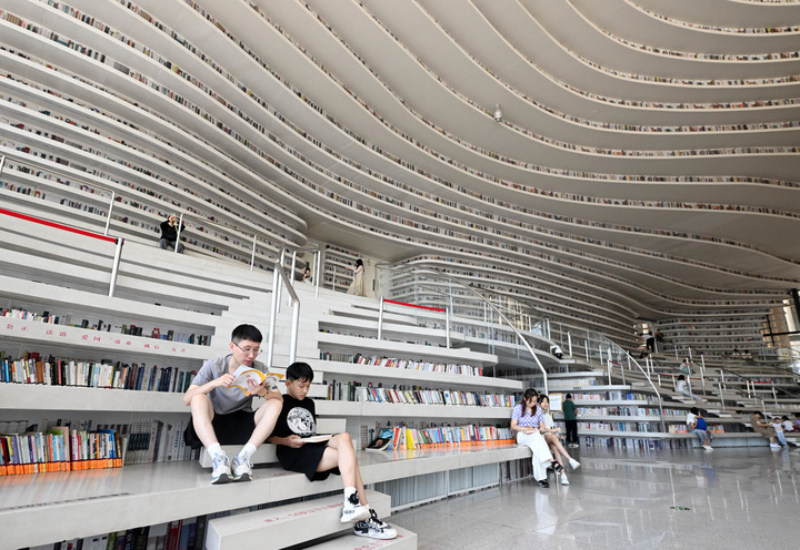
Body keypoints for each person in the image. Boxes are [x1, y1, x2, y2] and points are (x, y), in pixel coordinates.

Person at [269, 362, 397, 540]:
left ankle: (352, 502)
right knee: (349, 458)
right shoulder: (280, 402)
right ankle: (365, 516)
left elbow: (309, 431)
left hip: (310, 445)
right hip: (292, 453)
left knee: (344, 438)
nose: (305, 390)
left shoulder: (309, 403)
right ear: (288, 383)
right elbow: (269, 436)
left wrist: (316, 439)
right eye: (301, 386)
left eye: (308, 386)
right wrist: (286, 441)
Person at [183, 324, 283, 484]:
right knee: (198, 398)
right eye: (247, 349)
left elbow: (279, 399)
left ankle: (243, 458)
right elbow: (187, 399)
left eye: (256, 350)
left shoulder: (260, 369)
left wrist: (262, 392)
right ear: (232, 346)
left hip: (242, 424)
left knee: (275, 404)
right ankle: (218, 457)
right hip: (213, 422)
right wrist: (214, 383)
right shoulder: (213, 366)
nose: (251, 355)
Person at [510, 388, 565, 489]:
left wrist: (543, 430)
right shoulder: (518, 408)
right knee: (538, 438)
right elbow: (513, 425)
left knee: (537, 446)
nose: (533, 403)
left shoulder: (538, 409)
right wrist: (526, 429)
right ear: (524, 399)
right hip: (522, 434)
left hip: (535, 434)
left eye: (535, 401)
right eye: (531, 401)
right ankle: (551, 461)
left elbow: (542, 428)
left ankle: (542, 478)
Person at [538, 395, 580, 485]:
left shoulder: (548, 416)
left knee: (555, 448)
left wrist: (558, 436)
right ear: (538, 403)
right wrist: (554, 432)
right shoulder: (538, 415)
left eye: (547, 402)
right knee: (553, 438)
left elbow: (552, 429)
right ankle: (570, 459)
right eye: (543, 401)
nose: (545, 404)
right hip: (541, 439)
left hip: (549, 438)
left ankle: (563, 474)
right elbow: (542, 430)